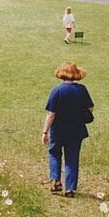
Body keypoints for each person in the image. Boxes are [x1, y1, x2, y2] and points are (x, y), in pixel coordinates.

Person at [41, 62, 94, 198]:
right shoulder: (82, 89)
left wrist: (45, 132)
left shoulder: (57, 90)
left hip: (58, 130)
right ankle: (70, 189)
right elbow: (90, 108)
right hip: (76, 130)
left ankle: (56, 180)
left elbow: (51, 114)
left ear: (61, 73)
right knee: (72, 158)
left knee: (54, 153)